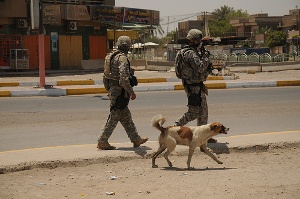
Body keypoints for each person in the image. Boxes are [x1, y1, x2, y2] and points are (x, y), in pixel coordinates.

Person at [97, 36, 148, 150]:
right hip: (121, 92)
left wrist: (109, 90)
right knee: (115, 116)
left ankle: (136, 139)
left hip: (113, 90)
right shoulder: (122, 59)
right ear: (128, 46)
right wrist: (131, 92)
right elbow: (124, 78)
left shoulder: (109, 57)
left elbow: (105, 76)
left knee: (125, 116)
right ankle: (102, 140)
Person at [174, 29, 216, 143]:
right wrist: (206, 55)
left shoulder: (187, 51)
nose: (200, 42)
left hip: (196, 85)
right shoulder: (190, 53)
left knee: (203, 111)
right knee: (193, 113)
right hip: (193, 86)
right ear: (194, 40)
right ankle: (175, 127)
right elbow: (201, 67)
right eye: (199, 40)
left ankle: (203, 136)